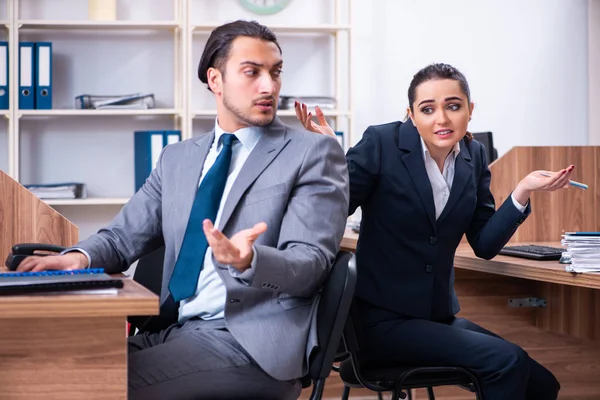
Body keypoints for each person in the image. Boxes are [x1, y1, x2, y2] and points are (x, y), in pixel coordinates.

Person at [18, 20, 349, 400]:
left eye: (275, 73)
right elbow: (124, 235)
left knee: (85, 386)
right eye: (251, 72)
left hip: (248, 342)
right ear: (215, 79)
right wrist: (77, 257)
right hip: (173, 329)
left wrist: (251, 260)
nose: (269, 86)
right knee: (42, 369)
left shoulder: (311, 152)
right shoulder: (177, 158)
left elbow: (310, 264)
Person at [295, 63, 570, 400]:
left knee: (541, 384)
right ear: (411, 115)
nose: (442, 118)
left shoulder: (474, 155)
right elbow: (333, 211)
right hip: (380, 324)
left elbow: (483, 243)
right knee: (506, 361)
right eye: (428, 109)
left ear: (470, 110)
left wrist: (522, 191)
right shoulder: (382, 143)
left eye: (453, 106)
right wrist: (330, 161)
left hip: (436, 318)